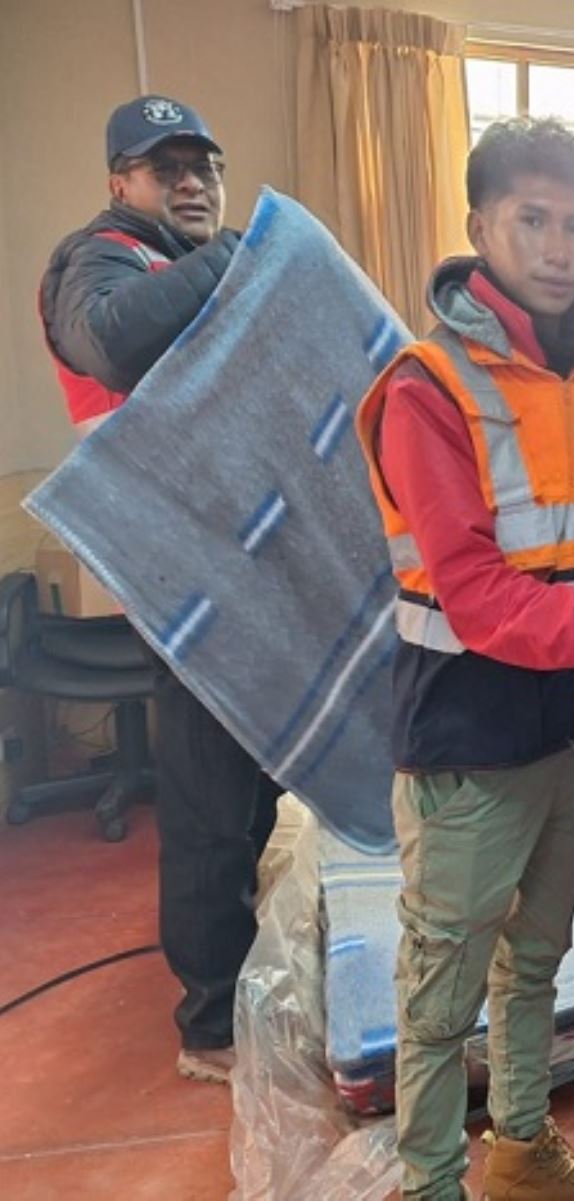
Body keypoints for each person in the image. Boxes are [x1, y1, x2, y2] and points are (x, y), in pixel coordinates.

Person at [356, 117, 574, 1201]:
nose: (558, 246)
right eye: (531, 219)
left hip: (572, 723)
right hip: (466, 727)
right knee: (440, 992)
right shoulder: (426, 387)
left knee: (536, 956)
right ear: (480, 225)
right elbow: (474, 589)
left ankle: (523, 1148)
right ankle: (430, 1182)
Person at [37, 93, 280, 1086]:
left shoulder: (184, 268)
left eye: (207, 167)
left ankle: (253, 979)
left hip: (239, 566)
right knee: (212, 799)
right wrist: (236, 256)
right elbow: (113, 343)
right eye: (167, 167)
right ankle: (213, 1022)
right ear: (120, 182)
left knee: (257, 792)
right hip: (182, 579)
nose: (193, 183)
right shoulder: (98, 260)